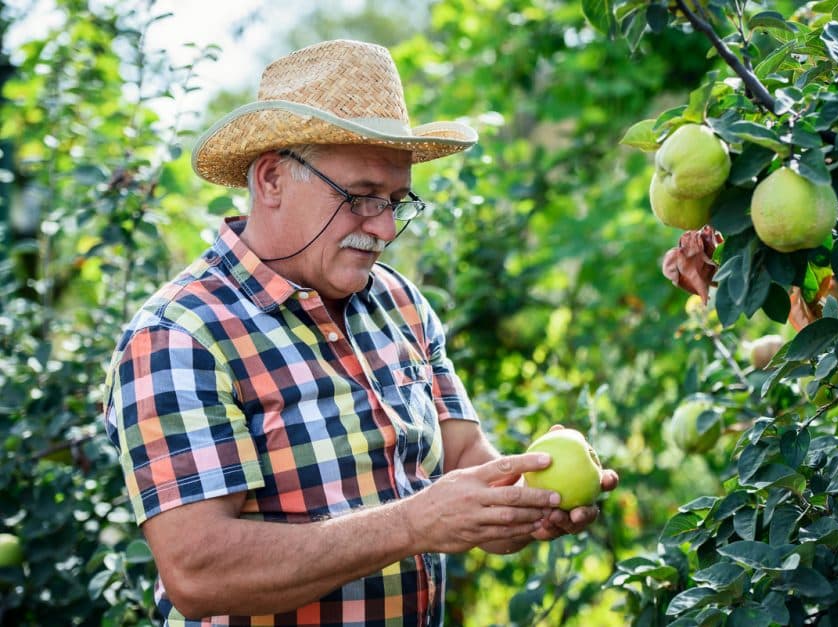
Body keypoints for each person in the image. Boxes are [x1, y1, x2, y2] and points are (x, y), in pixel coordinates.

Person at [103, 39, 618, 626]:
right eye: (360, 197)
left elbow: (465, 457)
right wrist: (416, 521)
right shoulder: (182, 335)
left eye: (397, 201)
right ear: (272, 179)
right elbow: (199, 573)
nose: (382, 227)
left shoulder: (399, 303)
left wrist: (521, 501)